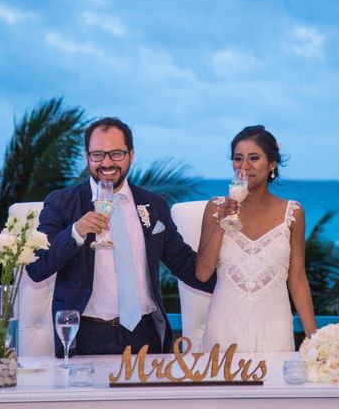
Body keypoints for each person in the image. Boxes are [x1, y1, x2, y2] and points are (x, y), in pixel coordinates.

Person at [27, 117, 215, 356]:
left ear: (131, 155)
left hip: (145, 335)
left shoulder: (154, 204)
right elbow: (37, 268)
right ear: (87, 157)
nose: (106, 162)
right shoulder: (62, 203)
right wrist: (76, 232)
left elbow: (186, 265)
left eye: (116, 154)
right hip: (86, 337)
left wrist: (236, 284)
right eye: (98, 154)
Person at [195, 125, 316, 351]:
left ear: (271, 164)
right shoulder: (215, 207)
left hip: (275, 331)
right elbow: (202, 274)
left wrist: (315, 339)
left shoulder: (293, 213)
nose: (245, 166)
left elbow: (298, 279)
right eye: (238, 158)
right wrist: (222, 223)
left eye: (254, 158)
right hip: (223, 332)